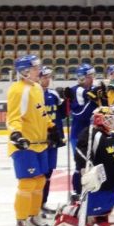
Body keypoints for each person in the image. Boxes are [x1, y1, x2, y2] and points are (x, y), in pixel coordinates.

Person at [7, 55, 57, 226]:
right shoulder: (17, 90)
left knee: (39, 181)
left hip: (40, 143)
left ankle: (33, 216)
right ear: (25, 71)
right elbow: (13, 117)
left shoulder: (36, 88)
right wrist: (16, 135)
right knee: (27, 183)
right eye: (35, 68)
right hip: (24, 145)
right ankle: (21, 222)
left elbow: (41, 113)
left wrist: (52, 127)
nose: (39, 71)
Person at [54, 106, 114, 226]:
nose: (112, 121)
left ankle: (100, 217)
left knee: (108, 202)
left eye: (112, 118)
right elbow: (81, 154)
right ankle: (70, 211)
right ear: (99, 119)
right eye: (108, 119)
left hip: (111, 180)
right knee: (95, 203)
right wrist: (87, 170)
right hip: (98, 180)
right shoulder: (90, 133)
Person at [67, 64, 105, 198]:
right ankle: (78, 193)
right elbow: (79, 114)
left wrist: (104, 99)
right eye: (89, 76)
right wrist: (93, 101)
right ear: (82, 78)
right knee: (81, 166)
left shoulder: (94, 89)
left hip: (95, 134)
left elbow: (104, 110)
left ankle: (94, 193)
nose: (92, 79)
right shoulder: (75, 91)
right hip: (79, 135)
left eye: (92, 76)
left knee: (95, 164)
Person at [39, 66, 66, 217]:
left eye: (49, 77)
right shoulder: (35, 94)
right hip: (42, 140)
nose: (47, 80)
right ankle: (36, 205)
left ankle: (43, 203)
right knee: (40, 174)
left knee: (49, 173)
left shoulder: (53, 94)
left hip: (54, 139)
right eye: (44, 77)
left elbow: (62, 115)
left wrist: (66, 102)